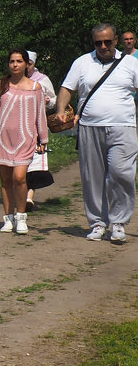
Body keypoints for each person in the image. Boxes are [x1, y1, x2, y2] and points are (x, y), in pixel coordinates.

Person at [54, 23, 138, 243]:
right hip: (90, 127)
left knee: (122, 174)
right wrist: (61, 110)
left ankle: (118, 222)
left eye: (107, 42)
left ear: (116, 40)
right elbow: (67, 89)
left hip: (123, 126)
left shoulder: (130, 63)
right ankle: (98, 223)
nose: (103, 46)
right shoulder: (82, 63)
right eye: (98, 42)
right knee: (92, 178)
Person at [0, 50, 48, 234]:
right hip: (2, 137)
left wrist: (43, 138)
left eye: (19, 61)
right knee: (5, 180)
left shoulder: (35, 88)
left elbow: (40, 114)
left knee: (19, 177)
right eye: (12, 61)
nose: (15, 65)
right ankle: (8, 218)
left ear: (27, 63)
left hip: (25, 138)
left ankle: (21, 217)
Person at [24, 50, 57, 205]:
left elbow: (54, 99)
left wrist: (48, 100)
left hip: (37, 125)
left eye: (29, 64)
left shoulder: (42, 80)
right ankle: (21, 194)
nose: (27, 67)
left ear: (34, 64)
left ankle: (29, 197)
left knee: (35, 162)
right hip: (20, 125)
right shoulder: (16, 80)